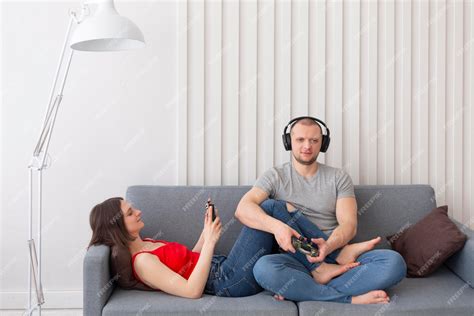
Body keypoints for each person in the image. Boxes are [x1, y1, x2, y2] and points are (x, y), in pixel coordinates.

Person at [235, 116, 407, 304]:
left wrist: (329, 248)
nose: (307, 146)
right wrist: (277, 228)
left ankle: (306, 288)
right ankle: (345, 295)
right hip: (298, 263)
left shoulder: (338, 177)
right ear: (288, 142)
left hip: (336, 257)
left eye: (314, 140)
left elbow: (349, 225)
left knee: (394, 263)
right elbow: (243, 209)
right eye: (300, 139)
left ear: (323, 143)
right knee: (263, 268)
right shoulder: (274, 176)